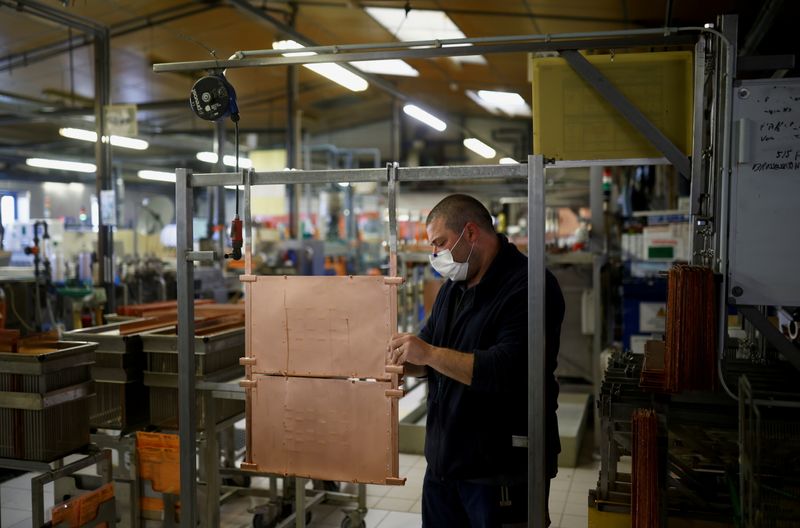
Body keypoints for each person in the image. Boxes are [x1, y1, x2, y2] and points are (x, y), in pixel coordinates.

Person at [388, 194, 565, 527]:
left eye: (440, 243)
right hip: (445, 467)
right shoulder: (452, 289)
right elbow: (429, 354)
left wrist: (426, 353)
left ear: (470, 233)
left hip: (501, 472)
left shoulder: (530, 287)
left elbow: (508, 369)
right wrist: (400, 361)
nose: (436, 255)